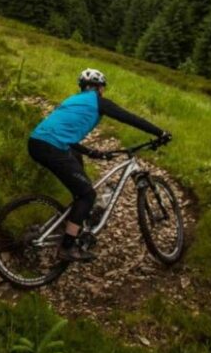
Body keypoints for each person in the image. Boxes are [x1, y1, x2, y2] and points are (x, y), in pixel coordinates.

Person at [28, 68, 170, 262]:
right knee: (88, 195)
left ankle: (72, 224)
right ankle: (67, 248)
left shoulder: (72, 100)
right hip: (54, 147)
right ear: (99, 88)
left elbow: (62, 132)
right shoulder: (98, 101)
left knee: (81, 185)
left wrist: (91, 152)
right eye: (102, 88)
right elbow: (128, 117)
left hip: (37, 143)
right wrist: (159, 132)